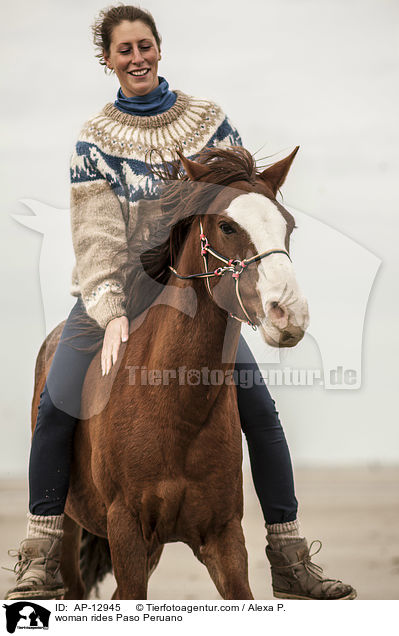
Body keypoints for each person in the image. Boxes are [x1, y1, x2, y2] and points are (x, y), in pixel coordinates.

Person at [5, 5, 356, 601]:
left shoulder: (210, 120)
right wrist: (110, 309)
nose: (137, 58)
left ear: (160, 49)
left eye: (145, 46)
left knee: (262, 414)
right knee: (59, 398)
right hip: (112, 292)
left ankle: (290, 556)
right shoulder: (92, 140)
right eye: (124, 50)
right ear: (108, 60)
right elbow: (94, 236)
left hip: (196, 294)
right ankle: (40, 550)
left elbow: (241, 198)